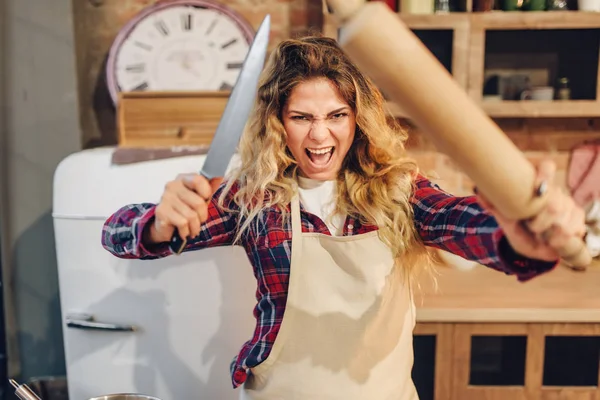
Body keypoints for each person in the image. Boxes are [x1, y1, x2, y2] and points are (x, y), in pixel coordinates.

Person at [102, 36, 586, 399]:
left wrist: (519, 237)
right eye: (301, 117)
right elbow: (117, 233)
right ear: (278, 124)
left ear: (357, 120)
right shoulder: (255, 200)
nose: (319, 136)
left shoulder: (400, 191)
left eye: (336, 115)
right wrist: (160, 224)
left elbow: (460, 222)